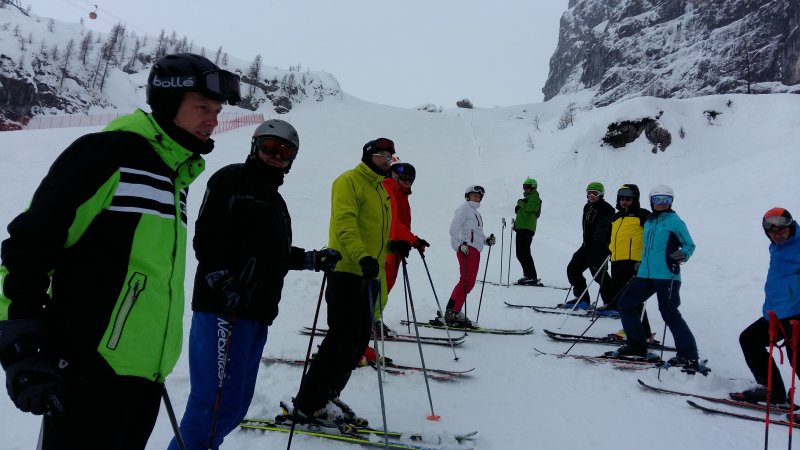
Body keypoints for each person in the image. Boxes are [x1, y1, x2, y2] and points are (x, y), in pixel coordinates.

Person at [0, 53, 241, 449]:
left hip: (145, 376)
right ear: (168, 102)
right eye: (202, 108)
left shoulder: (174, 177)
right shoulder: (107, 154)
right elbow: (30, 244)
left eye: (216, 110)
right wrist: (22, 345)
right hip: (89, 372)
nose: (213, 120)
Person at [168, 120, 340, 450]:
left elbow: (273, 254)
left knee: (233, 406)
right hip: (223, 310)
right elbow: (207, 237)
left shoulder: (276, 202)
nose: (276, 155)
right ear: (255, 146)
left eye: (285, 151)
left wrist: (312, 259)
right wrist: (222, 281)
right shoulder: (231, 179)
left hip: (256, 314)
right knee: (212, 406)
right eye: (270, 147)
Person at [292, 137, 410, 426]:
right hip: (347, 270)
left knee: (358, 342)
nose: (386, 161)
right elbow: (345, 223)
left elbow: (375, 232)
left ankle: (328, 394)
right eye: (381, 155)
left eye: (390, 157)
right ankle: (308, 404)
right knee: (340, 339)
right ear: (368, 156)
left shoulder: (381, 190)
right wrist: (362, 256)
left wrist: (392, 245)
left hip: (369, 275)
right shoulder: (349, 181)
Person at [613, 185, 700, 369]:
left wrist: (683, 254)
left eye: (665, 200)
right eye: (657, 199)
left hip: (666, 274)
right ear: (651, 201)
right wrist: (641, 262)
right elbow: (648, 247)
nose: (661, 203)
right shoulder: (649, 221)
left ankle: (689, 355)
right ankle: (637, 346)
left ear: (671, 202)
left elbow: (689, 245)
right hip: (645, 274)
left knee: (669, 313)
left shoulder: (675, 222)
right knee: (625, 304)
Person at [731, 208, 800, 405]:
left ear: (790, 227)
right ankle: (772, 391)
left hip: (797, 314)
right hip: (776, 313)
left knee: (797, 357)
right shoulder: (777, 247)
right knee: (749, 339)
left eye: (781, 231)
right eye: (772, 232)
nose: (777, 235)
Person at [373, 162, 429, 336]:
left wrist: (409, 241)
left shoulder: (401, 196)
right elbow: (392, 223)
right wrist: (413, 240)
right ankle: (368, 321)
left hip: (396, 248)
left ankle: (372, 319)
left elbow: (401, 224)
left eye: (410, 179)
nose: (406, 181)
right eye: (402, 176)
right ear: (391, 174)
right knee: (379, 289)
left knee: (385, 288)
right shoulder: (387, 190)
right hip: (386, 248)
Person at [441, 185, 496, 327]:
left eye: (478, 196)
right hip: (466, 249)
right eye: (474, 195)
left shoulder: (476, 213)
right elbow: (454, 228)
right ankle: (452, 311)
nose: (476, 198)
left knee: (469, 283)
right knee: (466, 282)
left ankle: (454, 310)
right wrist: (458, 245)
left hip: (475, 250)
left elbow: (476, 234)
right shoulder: (464, 209)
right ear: (468, 196)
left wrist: (486, 240)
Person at [599, 185, 651, 327]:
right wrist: (609, 250)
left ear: (635, 199)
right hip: (616, 262)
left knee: (633, 299)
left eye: (628, 199)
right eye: (622, 199)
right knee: (621, 299)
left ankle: (643, 333)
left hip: (633, 263)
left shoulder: (642, 215)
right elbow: (612, 237)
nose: (624, 202)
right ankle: (631, 330)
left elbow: (653, 235)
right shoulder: (616, 217)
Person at [562, 182, 614, 309]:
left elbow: (609, 229)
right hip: (586, 245)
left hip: (600, 248)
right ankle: (582, 299)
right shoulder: (587, 207)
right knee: (573, 269)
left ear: (601, 194)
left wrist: (606, 247)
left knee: (599, 276)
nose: (591, 196)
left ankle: (611, 304)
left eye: (595, 193)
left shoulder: (607, 209)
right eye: (589, 193)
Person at [513, 177, 543, 286]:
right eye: (524, 187)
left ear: (534, 187)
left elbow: (530, 208)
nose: (525, 189)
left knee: (524, 253)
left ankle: (531, 276)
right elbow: (525, 212)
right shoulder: (528, 198)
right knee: (520, 253)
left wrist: (520, 203)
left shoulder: (535, 196)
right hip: (522, 228)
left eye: (528, 187)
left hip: (527, 228)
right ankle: (528, 276)